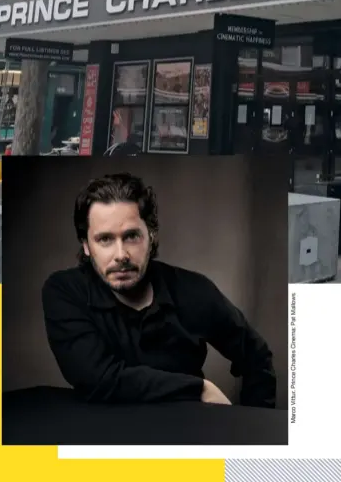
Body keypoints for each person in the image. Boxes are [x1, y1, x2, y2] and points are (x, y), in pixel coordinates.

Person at [42, 173, 276, 407]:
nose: (121, 255)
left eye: (132, 236)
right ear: (86, 245)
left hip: (185, 433)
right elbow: (98, 379)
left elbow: (257, 356)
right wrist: (199, 389)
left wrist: (253, 425)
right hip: (107, 437)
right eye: (105, 239)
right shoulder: (65, 291)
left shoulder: (193, 290)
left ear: (151, 236)